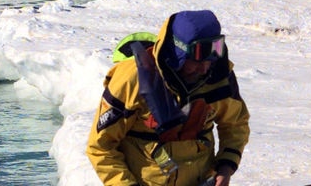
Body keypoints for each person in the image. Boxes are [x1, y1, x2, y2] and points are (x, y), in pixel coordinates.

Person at [87, 10, 250, 186]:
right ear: (176, 54)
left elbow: (235, 125)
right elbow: (101, 148)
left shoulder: (219, 77)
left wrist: (226, 167)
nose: (204, 69)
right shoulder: (132, 80)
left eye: (209, 60)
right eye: (196, 62)